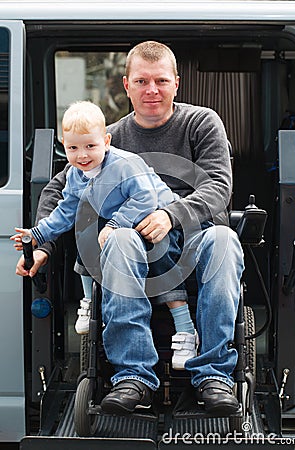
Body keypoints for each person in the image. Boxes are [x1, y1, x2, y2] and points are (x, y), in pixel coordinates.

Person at [15, 41, 244, 416]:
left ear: (176, 83)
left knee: (225, 239)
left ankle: (214, 376)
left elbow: (218, 186)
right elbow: (61, 189)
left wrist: (171, 214)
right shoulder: (109, 138)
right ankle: (133, 377)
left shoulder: (201, 123)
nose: (151, 90)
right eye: (141, 81)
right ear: (126, 85)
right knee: (119, 238)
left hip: (196, 237)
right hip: (136, 246)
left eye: (160, 81)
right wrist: (44, 246)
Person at [12, 100, 198, 369]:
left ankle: (185, 329)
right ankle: (89, 301)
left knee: (161, 259)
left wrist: (115, 225)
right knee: (83, 229)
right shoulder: (77, 175)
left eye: (90, 146)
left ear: (107, 141)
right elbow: (65, 211)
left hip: (157, 220)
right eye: (73, 148)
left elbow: (146, 198)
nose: (83, 155)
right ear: (64, 145)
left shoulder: (125, 164)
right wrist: (38, 235)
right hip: (118, 228)